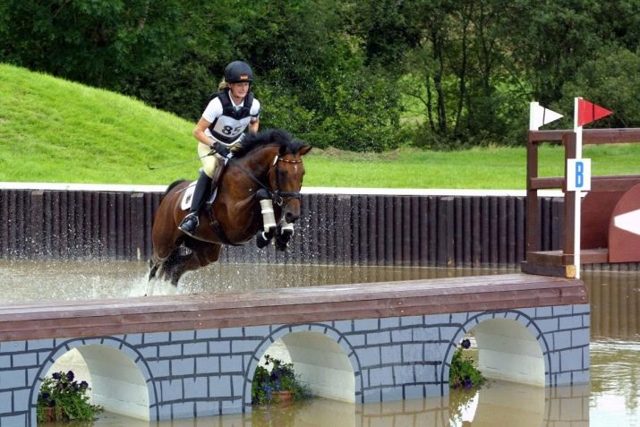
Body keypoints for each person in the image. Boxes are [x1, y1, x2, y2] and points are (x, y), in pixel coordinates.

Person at [179, 60, 261, 235]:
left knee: (254, 169)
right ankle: (193, 215)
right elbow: (197, 131)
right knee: (210, 169)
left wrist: (251, 139)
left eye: (246, 84)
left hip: (236, 144)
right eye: (239, 85)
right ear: (230, 85)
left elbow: (254, 122)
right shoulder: (217, 104)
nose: (243, 89)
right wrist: (216, 145)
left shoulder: (253, 104)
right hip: (209, 142)